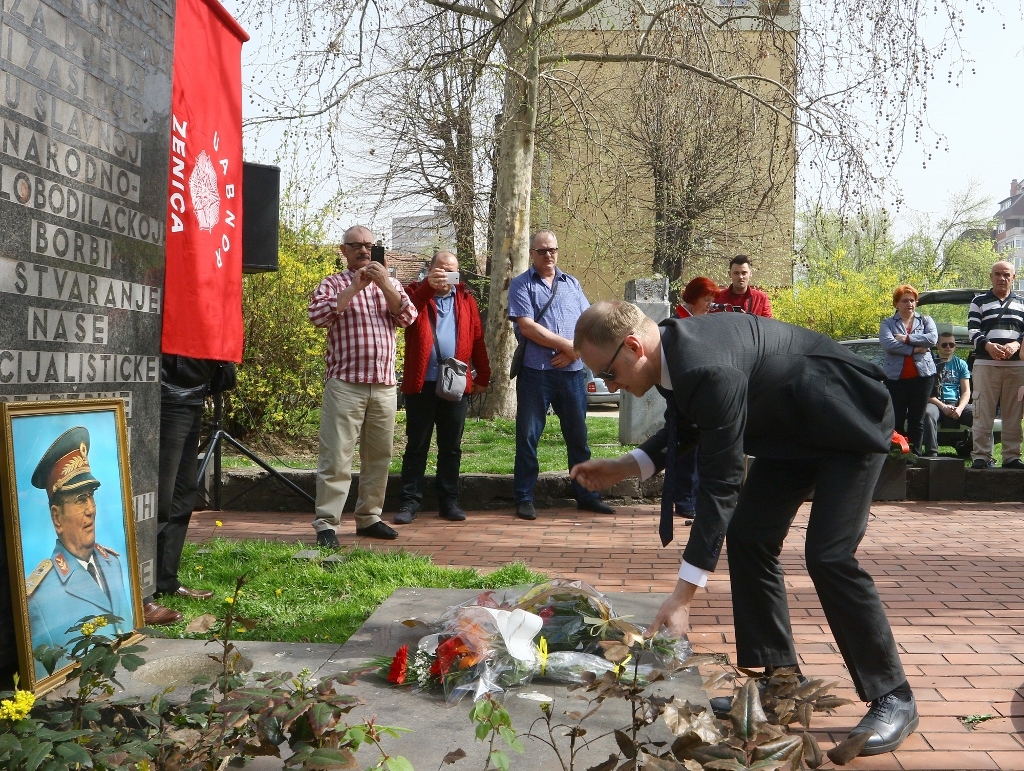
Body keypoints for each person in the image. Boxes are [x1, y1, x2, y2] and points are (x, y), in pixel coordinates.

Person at [569, 301, 917, 757]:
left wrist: (683, 596)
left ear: (633, 346)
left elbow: (722, 483)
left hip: (847, 421)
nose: (612, 386)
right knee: (750, 536)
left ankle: (895, 695)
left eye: (609, 375)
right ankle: (782, 686)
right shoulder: (673, 352)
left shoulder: (703, 365)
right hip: (793, 429)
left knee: (829, 555)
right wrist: (627, 466)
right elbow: (691, 421)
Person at [308, 225, 417, 546]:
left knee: (379, 456)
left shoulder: (391, 283)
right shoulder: (332, 283)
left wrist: (384, 284)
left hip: (383, 385)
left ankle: (369, 517)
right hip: (345, 385)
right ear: (343, 251)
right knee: (336, 457)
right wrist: (353, 289)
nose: (363, 251)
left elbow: (408, 317)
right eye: (355, 245)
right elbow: (317, 316)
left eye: (368, 245)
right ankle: (327, 524)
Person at [507, 229, 613, 521]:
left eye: (552, 249)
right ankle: (525, 498)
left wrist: (575, 351)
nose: (548, 255)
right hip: (535, 374)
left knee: (579, 439)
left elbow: (589, 322)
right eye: (542, 251)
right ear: (532, 254)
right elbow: (527, 327)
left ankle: (586, 496)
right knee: (528, 438)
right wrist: (566, 345)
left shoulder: (571, 284)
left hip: (573, 374)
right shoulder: (521, 285)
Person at [394, 251, 491, 525]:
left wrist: (483, 374)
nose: (445, 275)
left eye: (451, 270)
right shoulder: (415, 292)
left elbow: (477, 339)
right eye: (440, 269)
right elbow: (406, 316)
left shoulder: (465, 299)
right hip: (421, 384)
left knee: (451, 447)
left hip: (456, 384)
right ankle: (409, 502)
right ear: (430, 269)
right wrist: (428, 286)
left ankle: (448, 501)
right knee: (417, 445)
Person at [27, 427, 132, 650]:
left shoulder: (112, 562)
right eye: (80, 499)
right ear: (57, 517)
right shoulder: (39, 597)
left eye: (91, 496)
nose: (91, 509)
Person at [153, 355, 221, 617]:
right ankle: (144, 590)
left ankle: (165, 580)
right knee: (161, 497)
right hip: (168, 388)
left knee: (183, 493)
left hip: (194, 388)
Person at [968, 260, 1024, 470]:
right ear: (991, 277)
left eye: (1006, 274)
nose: (1002, 278)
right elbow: (973, 329)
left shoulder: (1022, 302)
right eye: (998, 274)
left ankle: (1011, 456)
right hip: (985, 364)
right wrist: (988, 346)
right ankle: (981, 456)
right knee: (982, 411)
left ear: (1013, 278)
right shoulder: (978, 301)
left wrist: (1015, 345)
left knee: (1014, 413)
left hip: (1016, 367)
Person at [672, 277, 719, 520]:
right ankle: (683, 499)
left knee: (701, 449)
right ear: (692, 299)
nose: (710, 305)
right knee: (686, 450)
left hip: (703, 395)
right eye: (706, 300)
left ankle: (695, 497)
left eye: (712, 301)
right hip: (682, 394)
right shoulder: (677, 322)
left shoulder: (705, 321)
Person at [879, 285, 937, 455]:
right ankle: (898, 454)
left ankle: (915, 455)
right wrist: (915, 349)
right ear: (896, 304)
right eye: (904, 300)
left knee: (916, 420)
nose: (909, 304)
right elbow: (888, 344)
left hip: (923, 378)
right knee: (896, 418)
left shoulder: (926, 320)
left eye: (912, 300)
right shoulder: (888, 323)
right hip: (896, 379)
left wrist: (906, 338)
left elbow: (932, 339)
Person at [923, 333, 973, 457]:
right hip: (935, 402)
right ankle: (932, 454)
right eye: (944, 344)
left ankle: (983, 455)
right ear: (937, 346)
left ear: (955, 346)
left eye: (951, 344)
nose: (948, 347)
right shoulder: (929, 363)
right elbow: (925, 392)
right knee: (928, 414)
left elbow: (966, 391)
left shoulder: (961, 364)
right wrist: (943, 407)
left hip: (956, 403)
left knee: (980, 414)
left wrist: (960, 408)